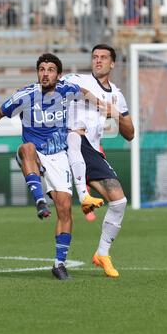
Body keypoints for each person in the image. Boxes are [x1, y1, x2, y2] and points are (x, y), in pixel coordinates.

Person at [0, 53, 104, 280]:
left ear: (58, 74)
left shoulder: (67, 90)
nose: (45, 74)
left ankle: (59, 264)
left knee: (65, 209)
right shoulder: (26, 95)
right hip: (34, 154)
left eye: (50, 70)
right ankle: (39, 201)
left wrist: (101, 104)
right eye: (42, 69)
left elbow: (83, 92)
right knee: (27, 148)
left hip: (59, 156)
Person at [64, 44, 134, 278]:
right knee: (74, 135)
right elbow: (56, 86)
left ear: (112, 63)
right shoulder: (78, 79)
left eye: (103, 57)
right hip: (66, 138)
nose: (98, 61)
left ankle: (102, 254)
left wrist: (115, 113)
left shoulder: (116, 94)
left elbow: (130, 133)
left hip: (91, 150)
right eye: (95, 57)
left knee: (120, 200)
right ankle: (83, 196)